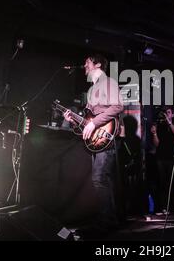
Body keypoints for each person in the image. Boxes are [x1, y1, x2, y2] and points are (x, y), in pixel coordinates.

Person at [63, 54, 123, 239]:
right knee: (101, 180)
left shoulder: (108, 82)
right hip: (97, 139)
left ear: (97, 64)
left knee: (99, 179)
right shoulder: (93, 89)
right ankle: (108, 220)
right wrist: (73, 120)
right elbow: (86, 121)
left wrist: (94, 122)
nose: (84, 66)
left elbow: (118, 106)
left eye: (87, 63)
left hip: (107, 135)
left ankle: (107, 222)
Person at [150, 106, 174, 214]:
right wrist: (154, 133)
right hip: (161, 158)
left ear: (173, 115)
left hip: (172, 157)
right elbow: (156, 144)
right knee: (163, 183)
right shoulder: (159, 126)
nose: (166, 114)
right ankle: (165, 207)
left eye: (169, 112)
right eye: (165, 112)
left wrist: (169, 123)